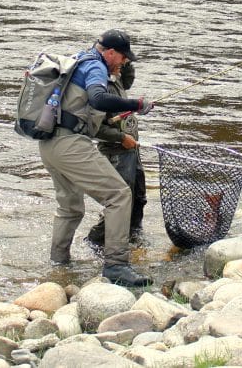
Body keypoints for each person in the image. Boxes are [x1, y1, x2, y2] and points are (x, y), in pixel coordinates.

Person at [37, 29, 154, 287]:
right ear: (110, 52)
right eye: (123, 57)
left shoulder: (78, 59)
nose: (124, 62)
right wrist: (137, 104)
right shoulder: (95, 66)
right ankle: (116, 266)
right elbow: (99, 99)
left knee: (70, 208)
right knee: (119, 195)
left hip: (48, 144)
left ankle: (59, 267)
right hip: (69, 144)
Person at [87, 60, 147, 246]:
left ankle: (133, 238)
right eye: (121, 60)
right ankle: (97, 241)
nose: (123, 66)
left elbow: (127, 80)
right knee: (121, 200)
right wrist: (121, 138)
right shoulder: (97, 89)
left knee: (138, 197)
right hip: (115, 152)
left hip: (131, 150)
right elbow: (94, 129)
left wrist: (128, 62)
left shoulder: (117, 79)